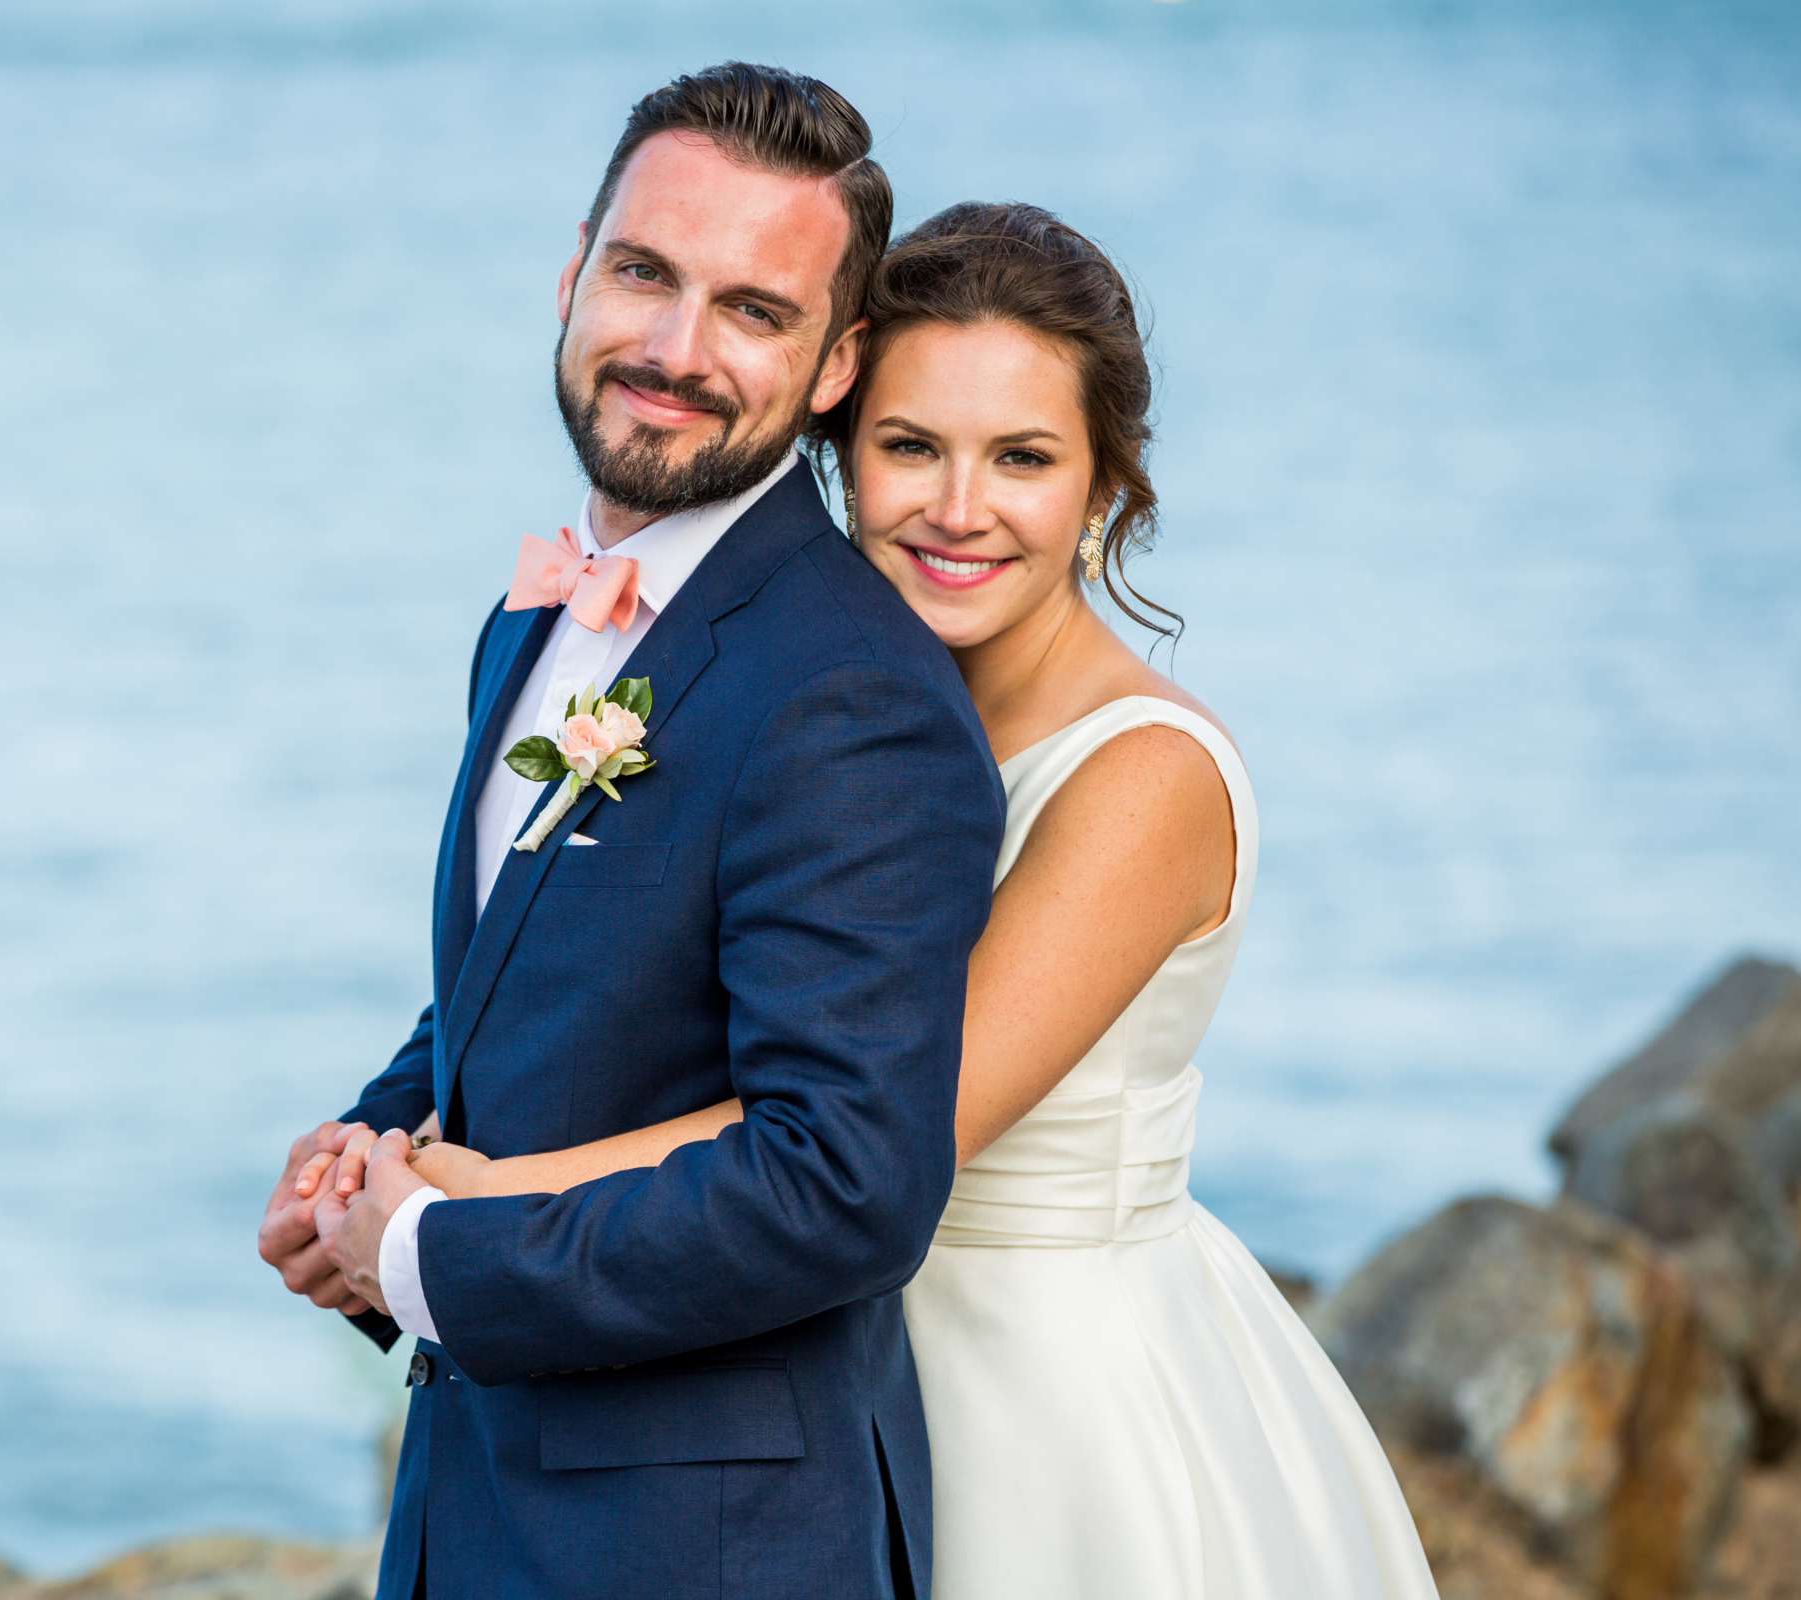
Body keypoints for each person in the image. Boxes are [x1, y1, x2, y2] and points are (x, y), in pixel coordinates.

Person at [384, 203, 1443, 1597]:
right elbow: (591, 971)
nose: (958, 508)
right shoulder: (811, 708)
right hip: (793, 1350)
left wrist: (471, 1206)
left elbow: (886, 1123)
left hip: (1039, 1386)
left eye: (1023, 459)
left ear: (1107, 484)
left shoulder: (1144, 781)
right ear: (834, 444)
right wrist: (386, 1137)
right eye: (909, 447)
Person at [255, 64, 1003, 1600]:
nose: (674, 348)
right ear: (572, 271)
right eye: (645, 273)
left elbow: (841, 1182)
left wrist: (432, 1260)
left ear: (836, 363)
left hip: (703, 1548)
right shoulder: (530, 624)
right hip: (484, 1505)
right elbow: (531, 975)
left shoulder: (849, 693)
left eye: (753, 309)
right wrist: (363, 1165)